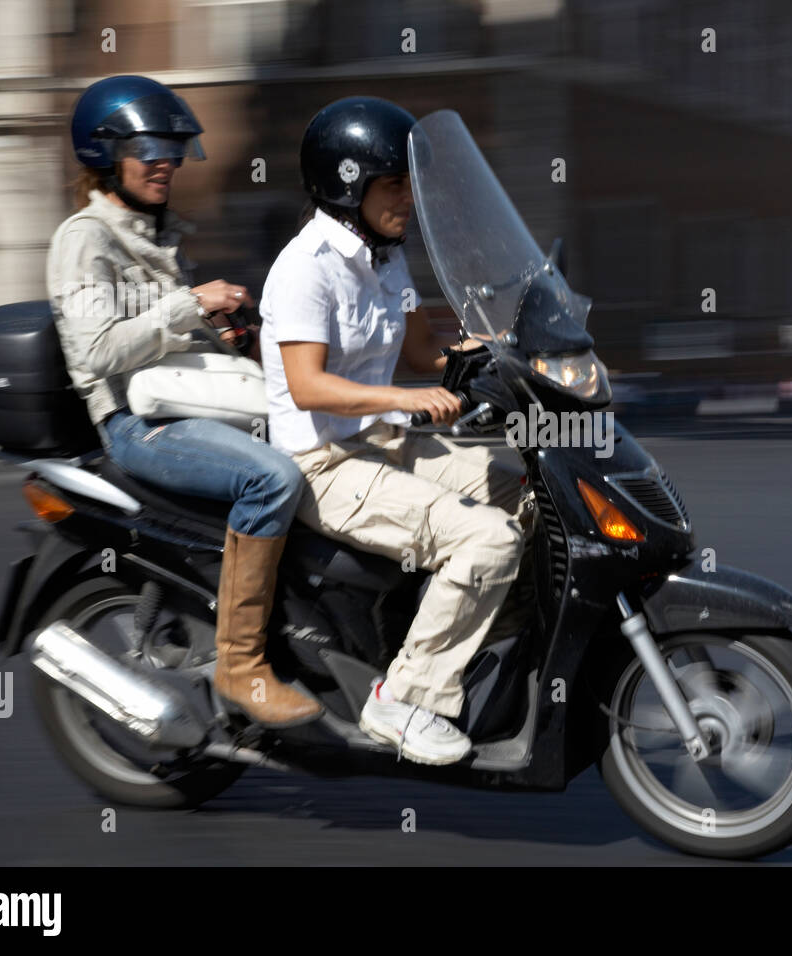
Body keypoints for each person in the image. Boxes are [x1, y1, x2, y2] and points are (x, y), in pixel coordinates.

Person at [259, 96, 534, 766]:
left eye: (410, 184)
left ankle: (449, 640)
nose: (409, 198)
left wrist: (503, 353)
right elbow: (308, 385)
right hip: (323, 464)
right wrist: (403, 400)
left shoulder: (384, 258)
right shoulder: (306, 268)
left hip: (385, 443)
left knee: (533, 497)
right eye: (394, 185)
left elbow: (423, 354)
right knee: (489, 538)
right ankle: (405, 698)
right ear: (349, 185)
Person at [46, 74, 323, 728]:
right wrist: (191, 303)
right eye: (149, 149)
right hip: (136, 425)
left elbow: (166, 345)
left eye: (171, 148)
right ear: (104, 154)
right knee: (271, 478)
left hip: (182, 407)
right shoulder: (85, 238)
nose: (165, 161)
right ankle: (241, 664)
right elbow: (99, 352)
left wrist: (226, 333)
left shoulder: (156, 233)